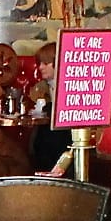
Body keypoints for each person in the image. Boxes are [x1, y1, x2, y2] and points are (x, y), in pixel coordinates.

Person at [27, 42, 71, 173]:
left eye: (46, 63)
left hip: (65, 141)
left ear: (58, 63)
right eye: (40, 63)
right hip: (46, 142)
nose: (40, 67)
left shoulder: (71, 89)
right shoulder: (39, 89)